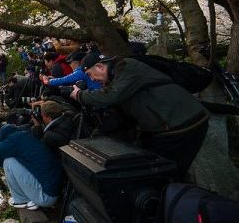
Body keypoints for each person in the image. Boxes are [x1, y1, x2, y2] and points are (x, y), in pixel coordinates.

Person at [70, 52, 210, 176]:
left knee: (164, 173)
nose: (92, 79)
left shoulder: (126, 66)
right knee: (153, 169)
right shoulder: (116, 78)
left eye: (90, 74)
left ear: (100, 67)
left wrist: (80, 95)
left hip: (183, 124)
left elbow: (111, 96)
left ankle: (178, 199)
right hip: (168, 127)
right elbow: (120, 114)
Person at [0, 123, 61, 209]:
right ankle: (31, 198)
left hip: (46, 197)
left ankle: (21, 200)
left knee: (8, 162)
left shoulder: (13, 141)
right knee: (11, 160)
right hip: (53, 190)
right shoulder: (25, 136)